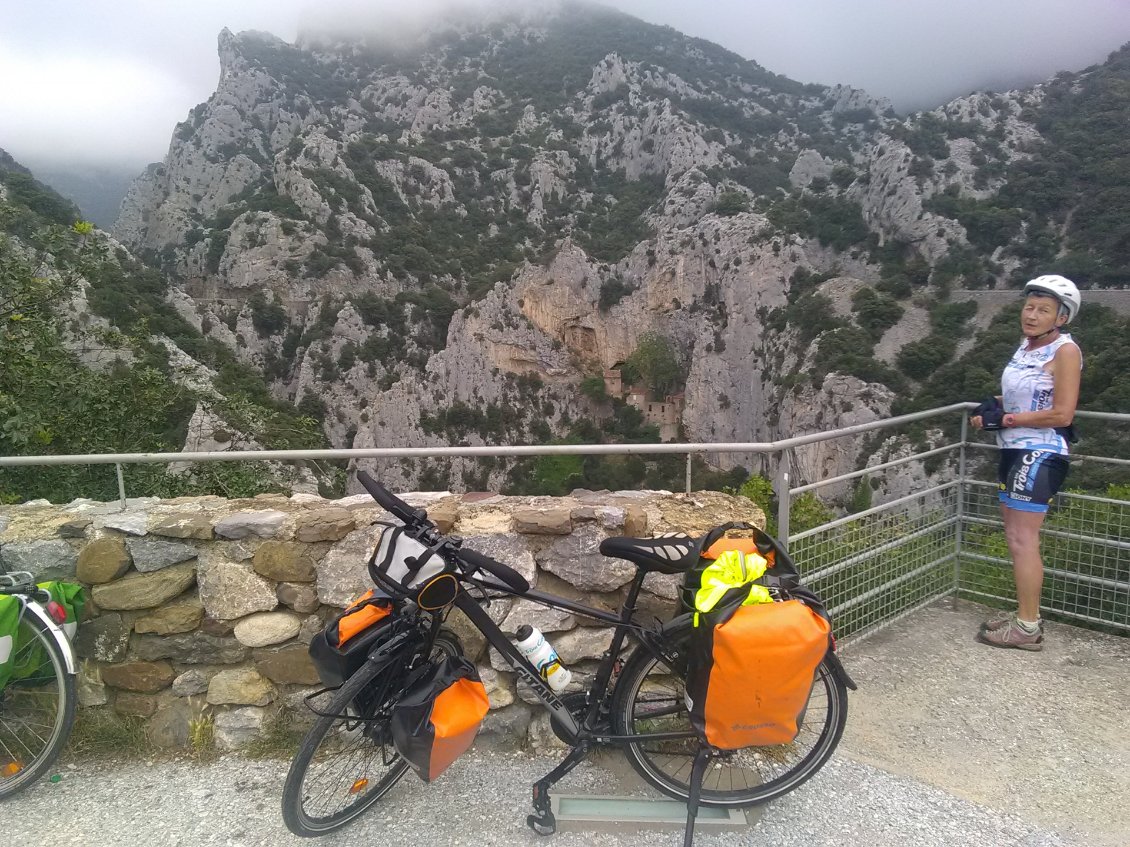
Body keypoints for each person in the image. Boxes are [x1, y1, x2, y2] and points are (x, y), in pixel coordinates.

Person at [969, 275, 1082, 651]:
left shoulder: (1065, 352)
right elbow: (1025, 393)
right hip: (1013, 449)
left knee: (1023, 539)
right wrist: (994, 407)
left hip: (1040, 452)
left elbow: (1063, 413)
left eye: (1043, 310)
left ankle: (1028, 628)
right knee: (1016, 539)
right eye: (1030, 307)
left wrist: (1009, 420)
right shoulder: (1027, 347)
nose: (1032, 315)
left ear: (1061, 318)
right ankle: (1024, 614)